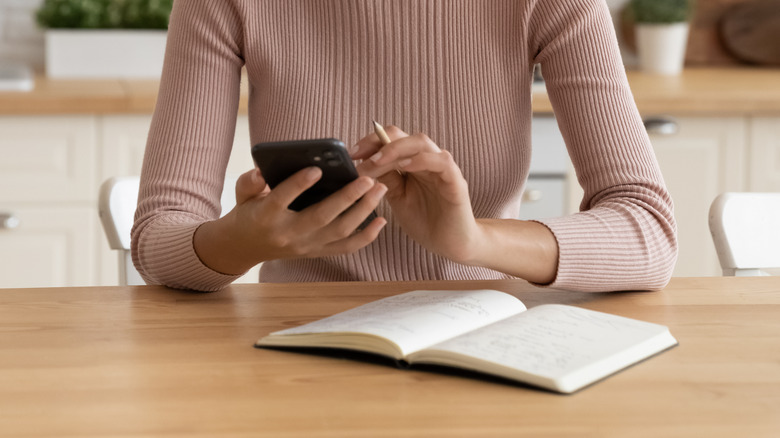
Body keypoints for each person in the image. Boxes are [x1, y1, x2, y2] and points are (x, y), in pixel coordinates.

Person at [132, 0, 677, 293]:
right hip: (296, 342)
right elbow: (158, 236)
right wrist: (242, 240)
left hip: (487, 336)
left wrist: (475, 241)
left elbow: (647, 232)